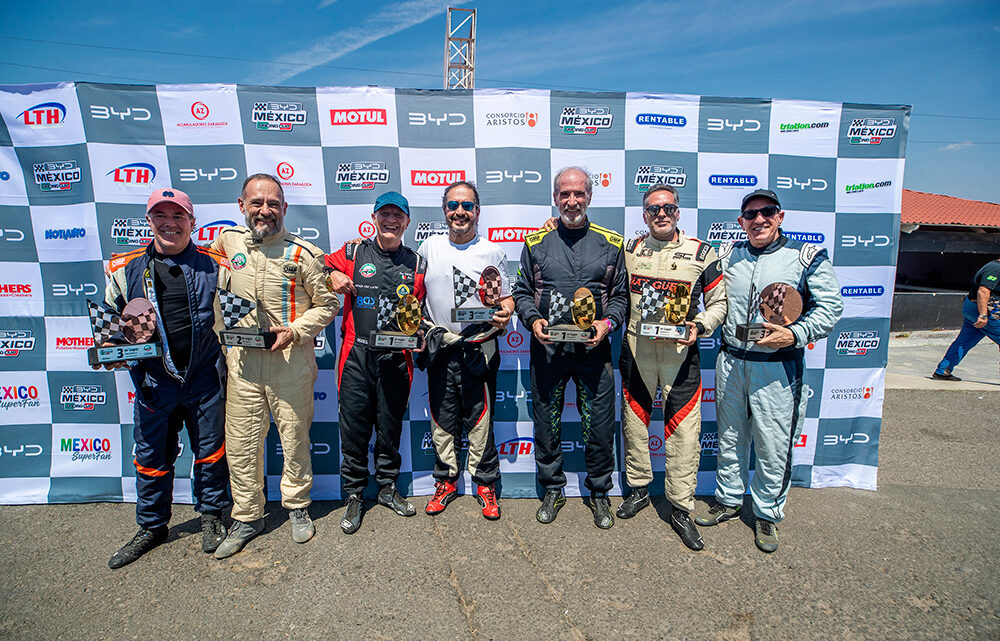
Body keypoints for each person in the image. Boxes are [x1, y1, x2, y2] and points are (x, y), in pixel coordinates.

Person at [695, 189, 842, 553]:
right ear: (741, 221)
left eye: (767, 212)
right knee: (729, 437)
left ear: (780, 217)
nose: (759, 219)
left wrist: (795, 334)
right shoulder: (728, 255)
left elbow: (830, 307)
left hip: (777, 368)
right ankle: (728, 501)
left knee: (773, 446)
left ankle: (767, 514)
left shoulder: (805, 257)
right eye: (751, 214)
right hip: (731, 360)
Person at [210, 174, 339, 558]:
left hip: (289, 363)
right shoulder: (225, 243)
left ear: (284, 208)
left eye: (272, 203)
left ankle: (298, 506)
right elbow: (199, 277)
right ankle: (248, 515)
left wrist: (297, 331)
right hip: (244, 365)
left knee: (294, 438)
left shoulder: (303, 253)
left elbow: (328, 304)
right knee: (242, 444)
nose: (264, 210)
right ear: (242, 205)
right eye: (256, 203)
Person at [103, 187, 230, 569]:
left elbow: (239, 318)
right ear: (149, 220)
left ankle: (211, 516)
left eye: (178, 216)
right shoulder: (123, 268)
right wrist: (109, 349)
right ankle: (152, 526)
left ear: (192, 222)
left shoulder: (216, 265)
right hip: (153, 383)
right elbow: (110, 324)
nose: (170, 223)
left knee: (210, 452)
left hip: (205, 379)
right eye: (161, 215)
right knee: (151, 457)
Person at [512, 166, 629, 529]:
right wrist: (533, 321)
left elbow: (622, 298)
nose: (572, 201)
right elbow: (520, 293)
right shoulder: (535, 244)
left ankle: (599, 493)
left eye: (579, 193)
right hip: (548, 352)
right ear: (555, 197)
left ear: (590, 196)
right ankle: (553, 489)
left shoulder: (612, 243)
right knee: (547, 423)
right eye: (565, 194)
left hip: (594, 353)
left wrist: (606, 323)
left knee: (599, 427)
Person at [617, 185, 727, 551]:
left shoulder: (701, 252)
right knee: (634, 422)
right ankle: (638, 489)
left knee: (683, 431)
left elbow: (719, 303)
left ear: (677, 212)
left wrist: (701, 326)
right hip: (638, 350)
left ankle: (681, 507)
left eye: (667, 208)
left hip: (681, 353)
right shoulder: (631, 249)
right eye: (652, 209)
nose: (660, 214)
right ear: (644, 215)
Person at [324, 191, 427, 534]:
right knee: (353, 429)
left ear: (407, 222)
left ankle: (386, 488)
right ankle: (354, 495)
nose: (391, 221)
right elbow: (319, 264)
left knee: (390, 427)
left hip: (397, 359)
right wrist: (332, 276)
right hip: (356, 356)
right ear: (374, 218)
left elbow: (421, 313)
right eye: (385, 214)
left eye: (398, 216)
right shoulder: (354, 252)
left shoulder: (416, 263)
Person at [416, 181, 514, 520]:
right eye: (454, 205)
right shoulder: (428, 248)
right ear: (445, 210)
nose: (460, 212)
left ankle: (486, 484)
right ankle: (445, 482)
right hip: (441, 346)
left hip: (479, 347)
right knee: (443, 419)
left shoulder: (492, 251)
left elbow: (506, 297)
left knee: (480, 419)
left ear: (478, 211)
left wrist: (507, 311)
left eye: (467, 206)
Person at [932, 257, 1000, 381]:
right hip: (983, 312)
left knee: (965, 341)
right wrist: (983, 315)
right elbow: (983, 291)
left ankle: (943, 370)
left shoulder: (993, 267)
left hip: (973, 309)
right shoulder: (995, 269)